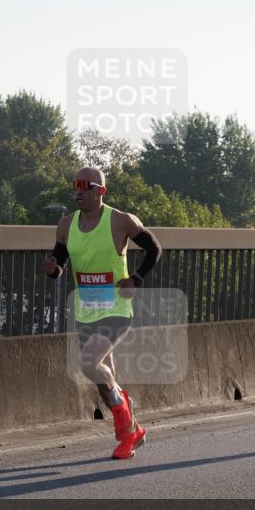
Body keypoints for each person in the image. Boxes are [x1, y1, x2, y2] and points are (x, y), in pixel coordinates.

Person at [42, 167, 163, 459]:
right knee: (103, 379)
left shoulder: (120, 221)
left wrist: (136, 278)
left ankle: (125, 417)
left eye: (85, 186)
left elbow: (154, 248)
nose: (78, 192)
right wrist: (54, 270)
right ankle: (132, 433)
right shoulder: (66, 225)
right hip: (87, 311)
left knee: (88, 363)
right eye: (76, 186)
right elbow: (60, 261)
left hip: (116, 310)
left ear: (101, 191)